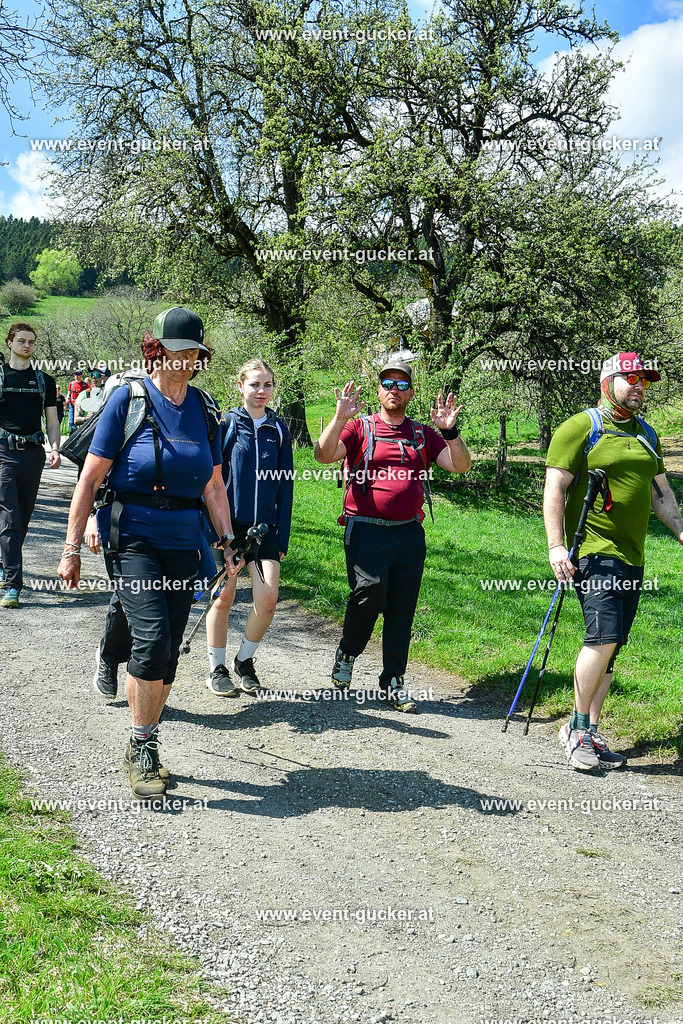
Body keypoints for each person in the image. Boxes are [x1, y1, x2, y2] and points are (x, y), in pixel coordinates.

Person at [58, 306, 242, 799]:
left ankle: (147, 740)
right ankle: (142, 746)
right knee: (153, 636)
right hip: (133, 535)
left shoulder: (205, 409)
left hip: (184, 539)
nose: (187, 360)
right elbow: (90, 478)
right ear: (156, 350)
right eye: (178, 351)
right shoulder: (127, 399)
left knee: (169, 647)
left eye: (195, 352)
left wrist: (227, 542)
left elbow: (214, 485)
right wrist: (72, 547)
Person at [545, 351, 683, 772]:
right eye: (632, 378)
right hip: (593, 550)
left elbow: (661, 492)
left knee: (613, 646)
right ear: (608, 382)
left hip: (632, 555)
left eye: (646, 380)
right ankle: (576, 729)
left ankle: (591, 730)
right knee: (601, 638)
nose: (640, 386)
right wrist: (556, 546)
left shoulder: (646, 433)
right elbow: (555, 488)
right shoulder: (581, 427)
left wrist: (680, 529)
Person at [314, 358, 471, 711]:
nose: (394, 390)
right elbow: (323, 455)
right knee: (368, 596)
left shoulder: (422, 434)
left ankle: (393, 681)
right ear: (379, 390)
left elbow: (460, 465)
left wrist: (450, 432)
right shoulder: (360, 428)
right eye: (388, 383)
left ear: (411, 393)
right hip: (365, 529)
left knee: (402, 608)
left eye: (402, 385)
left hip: (409, 533)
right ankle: (348, 651)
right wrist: (339, 417)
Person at [205, 358, 293, 696]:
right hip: (228, 527)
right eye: (255, 384)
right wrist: (217, 532)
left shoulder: (279, 430)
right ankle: (217, 668)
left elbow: (286, 487)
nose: (261, 391)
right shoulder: (226, 424)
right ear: (240, 386)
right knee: (223, 597)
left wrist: (282, 536)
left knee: (267, 599)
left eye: (267, 385)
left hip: (265, 529)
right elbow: (211, 481)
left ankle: (244, 661)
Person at [0, 322, 61, 608]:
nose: (27, 345)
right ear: (9, 343)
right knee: (10, 518)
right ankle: (13, 586)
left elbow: (52, 420)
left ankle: (4, 564)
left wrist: (55, 448)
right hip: (3, 454)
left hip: (33, 454)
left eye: (31, 341)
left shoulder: (44, 381)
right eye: (22, 341)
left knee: (22, 518)